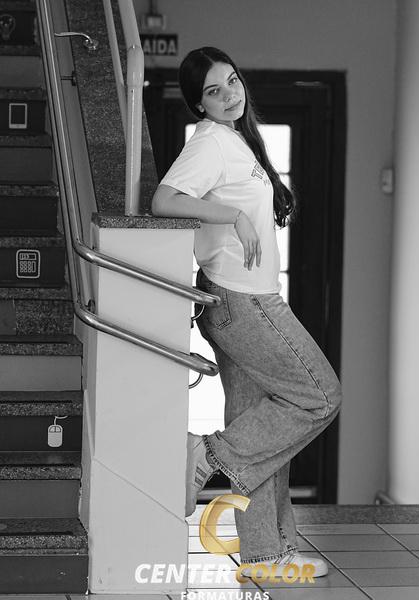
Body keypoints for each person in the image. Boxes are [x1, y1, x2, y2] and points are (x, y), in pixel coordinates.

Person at [151, 46, 342, 579]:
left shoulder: (234, 139)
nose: (230, 94)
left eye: (232, 81)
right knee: (320, 395)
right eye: (214, 91)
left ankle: (265, 554)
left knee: (259, 424)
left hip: (238, 299)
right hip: (244, 300)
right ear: (199, 104)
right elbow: (165, 200)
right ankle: (208, 455)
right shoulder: (211, 142)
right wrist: (232, 214)